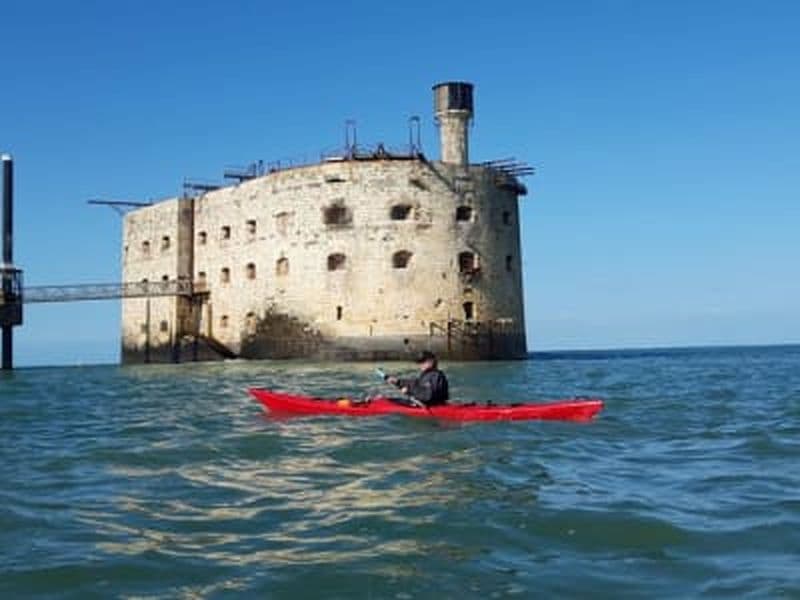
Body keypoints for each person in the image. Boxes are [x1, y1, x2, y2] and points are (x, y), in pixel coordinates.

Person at [385, 350, 449, 407]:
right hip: (428, 404)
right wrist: (398, 381)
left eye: (423, 362)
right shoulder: (428, 374)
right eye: (420, 362)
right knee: (388, 400)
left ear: (431, 361)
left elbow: (427, 395)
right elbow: (415, 383)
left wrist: (409, 390)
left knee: (387, 402)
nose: (420, 365)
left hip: (430, 405)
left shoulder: (435, 375)